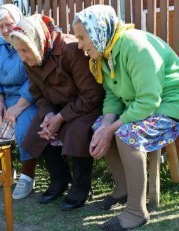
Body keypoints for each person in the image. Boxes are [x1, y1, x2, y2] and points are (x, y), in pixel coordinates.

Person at [73, 4, 179, 230]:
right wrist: (105, 127)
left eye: (83, 37)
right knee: (99, 126)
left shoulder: (135, 46)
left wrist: (112, 128)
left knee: (125, 133)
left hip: (169, 107)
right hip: (142, 107)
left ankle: (136, 211)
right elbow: (113, 95)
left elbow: (150, 101)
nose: (80, 45)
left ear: (98, 31)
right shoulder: (106, 52)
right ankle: (122, 189)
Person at [9, 14, 104, 211]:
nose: (22, 56)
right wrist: (49, 115)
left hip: (85, 106)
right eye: (18, 51)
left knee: (77, 131)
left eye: (24, 50)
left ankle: (81, 186)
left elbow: (91, 94)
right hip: (57, 107)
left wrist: (61, 117)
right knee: (40, 128)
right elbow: (36, 92)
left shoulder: (70, 49)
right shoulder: (31, 57)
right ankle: (59, 179)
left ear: (36, 40)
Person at [0, 4, 38, 199]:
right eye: (1, 26)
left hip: (28, 99)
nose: (5, 30)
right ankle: (5, 171)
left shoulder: (29, 41)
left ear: (18, 21)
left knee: (23, 127)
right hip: (5, 98)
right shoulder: (0, 48)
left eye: (9, 24)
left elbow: (35, 77)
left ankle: (27, 176)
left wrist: (19, 106)